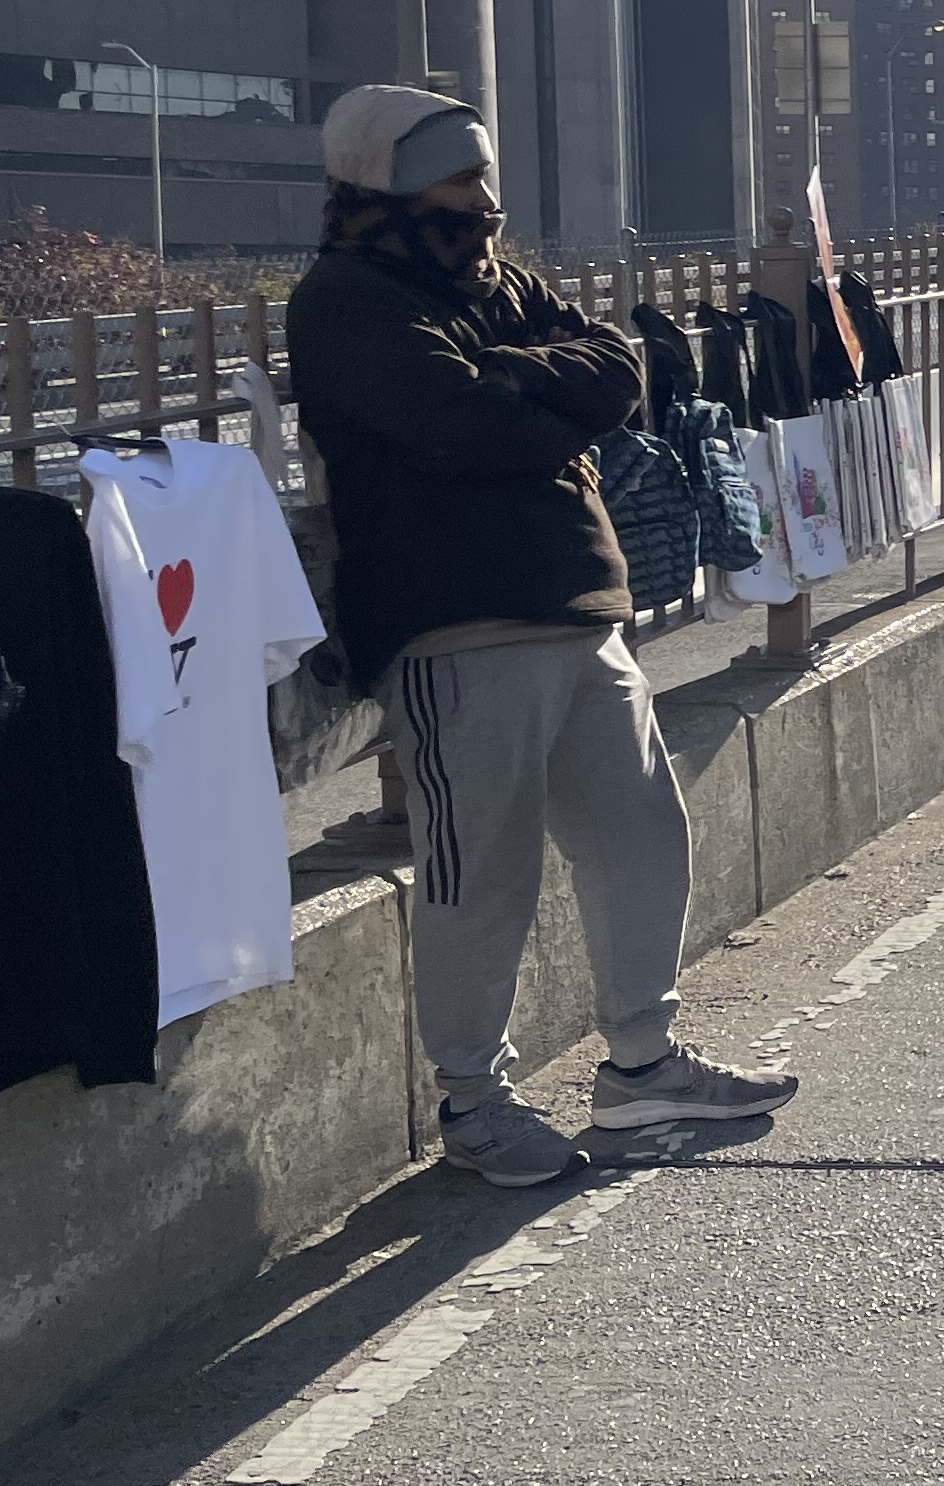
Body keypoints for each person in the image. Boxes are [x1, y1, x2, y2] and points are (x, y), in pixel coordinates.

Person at [286, 87, 797, 1187]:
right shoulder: (347, 299)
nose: (485, 198)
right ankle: (473, 1104)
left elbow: (620, 371)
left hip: (581, 602)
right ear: (386, 179)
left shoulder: (497, 280)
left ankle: (643, 1066)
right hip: (452, 622)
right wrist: (527, 396)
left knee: (642, 839)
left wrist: (517, 385)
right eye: (460, 176)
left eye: (483, 174)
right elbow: (458, 424)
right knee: (483, 877)